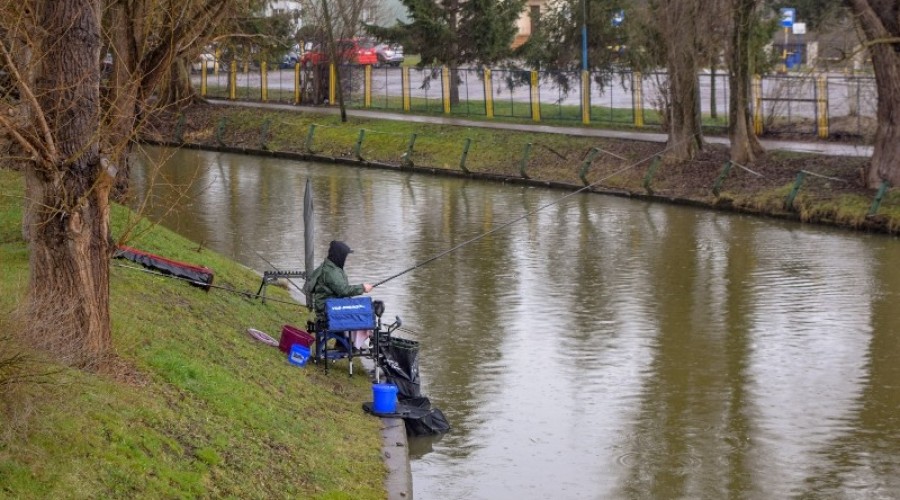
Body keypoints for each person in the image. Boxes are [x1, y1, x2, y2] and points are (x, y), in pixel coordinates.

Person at [305, 241, 373, 350]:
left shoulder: (330, 266)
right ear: (339, 255)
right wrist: (363, 288)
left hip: (329, 308)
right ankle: (354, 343)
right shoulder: (331, 272)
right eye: (345, 255)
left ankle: (347, 342)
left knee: (360, 310)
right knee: (363, 315)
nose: (346, 258)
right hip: (328, 312)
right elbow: (343, 290)